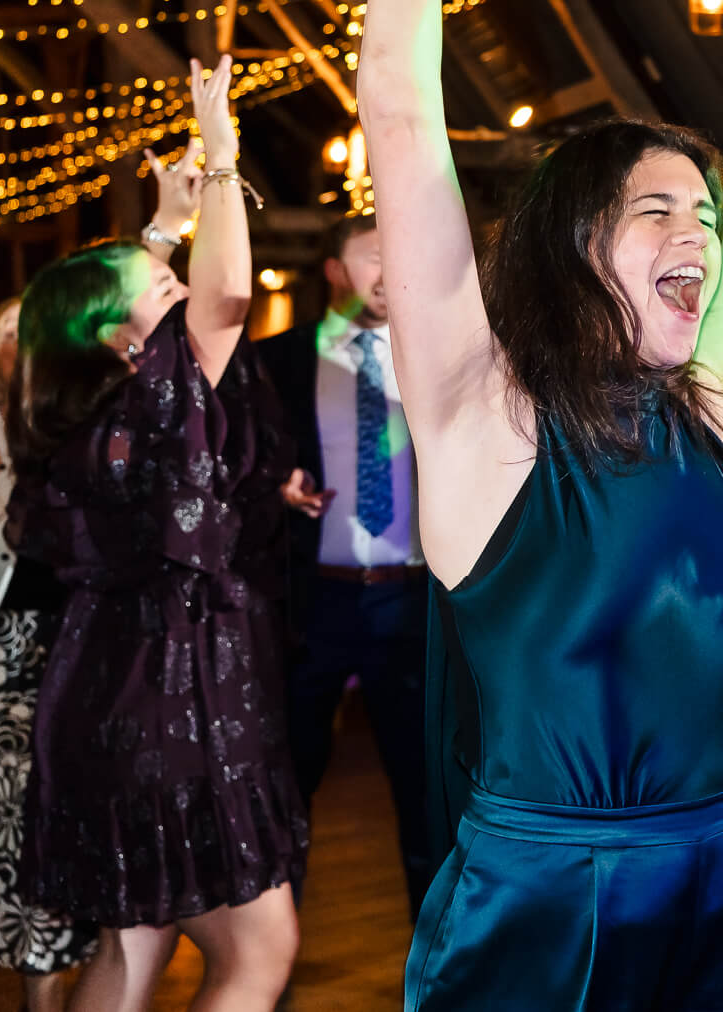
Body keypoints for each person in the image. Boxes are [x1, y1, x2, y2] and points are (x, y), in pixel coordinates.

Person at [360, 0, 723, 1010]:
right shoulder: (484, 422)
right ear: (574, 249)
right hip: (550, 922)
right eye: (657, 211)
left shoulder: (709, 406)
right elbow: (400, 114)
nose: (699, 234)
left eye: (703, 215)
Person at [8, 55, 306, 1012]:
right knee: (258, 951)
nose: (184, 295)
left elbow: (150, 311)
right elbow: (225, 300)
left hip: (109, 693)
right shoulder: (153, 402)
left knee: (134, 947)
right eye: (165, 290)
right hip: (171, 703)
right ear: (123, 340)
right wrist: (220, 158)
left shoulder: (89, 417)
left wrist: (162, 230)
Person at [257, 211, 437, 920]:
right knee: (288, 788)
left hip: (412, 602)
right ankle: (271, 950)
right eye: (372, 255)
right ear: (334, 270)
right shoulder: (275, 362)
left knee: (425, 794)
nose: (391, 268)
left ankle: (437, 962)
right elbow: (237, 467)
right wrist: (272, 488)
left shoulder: (437, 356)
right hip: (312, 604)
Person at [0, 297, 94, 1012]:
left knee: (48, 825)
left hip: (68, 651)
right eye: (13, 328)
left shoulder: (72, 431)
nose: (28, 339)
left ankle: (43, 995)